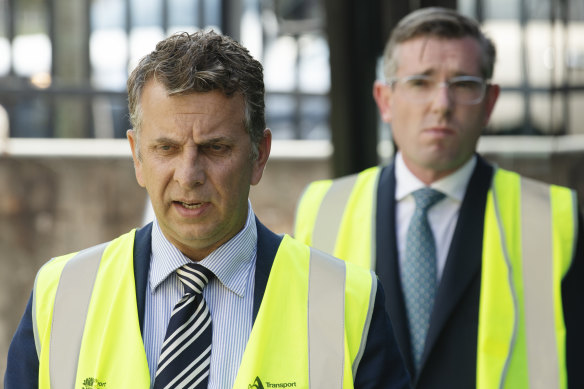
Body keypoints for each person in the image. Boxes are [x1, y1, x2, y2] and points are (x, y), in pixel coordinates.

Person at [5, 31, 409, 389]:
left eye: (215, 148)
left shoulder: (348, 304)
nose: (189, 174)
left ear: (259, 154)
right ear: (136, 156)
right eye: (167, 148)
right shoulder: (59, 296)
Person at [294, 7, 584, 389]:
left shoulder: (555, 218)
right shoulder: (322, 209)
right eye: (420, 82)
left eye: (463, 84)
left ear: (489, 102)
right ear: (385, 99)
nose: (442, 104)